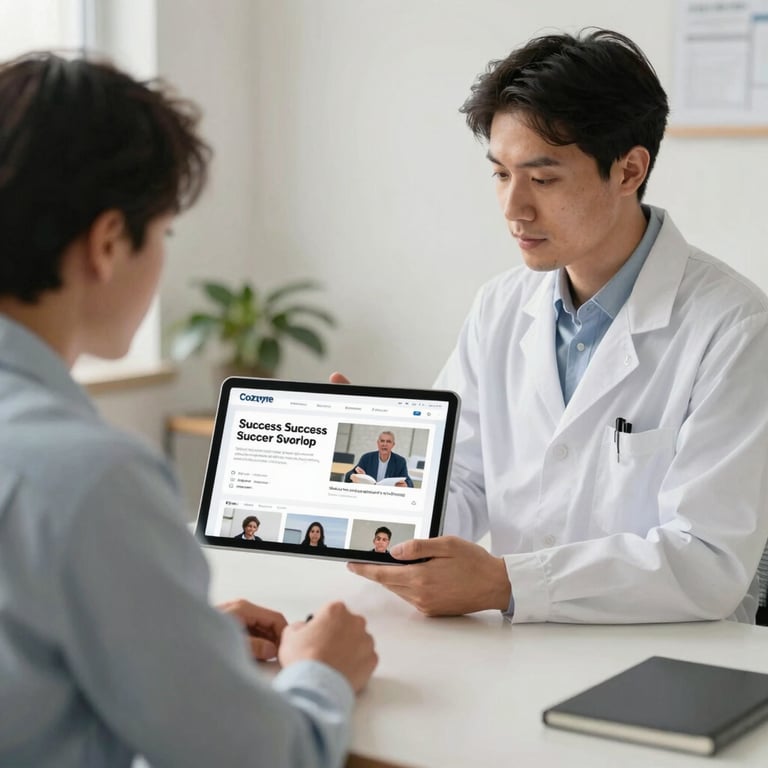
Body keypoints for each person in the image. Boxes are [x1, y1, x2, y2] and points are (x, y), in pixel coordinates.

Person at [0, 53, 376, 768]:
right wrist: (323, 671)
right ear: (109, 242)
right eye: (166, 232)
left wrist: (173, 640)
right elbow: (262, 758)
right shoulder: (93, 478)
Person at [340, 28, 768, 624]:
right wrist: (374, 476)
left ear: (628, 170)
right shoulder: (500, 306)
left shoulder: (736, 328)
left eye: (542, 179)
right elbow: (461, 485)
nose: (514, 207)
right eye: (499, 174)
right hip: (521, 651)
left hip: (675, 657)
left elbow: (707, 561)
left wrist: (504, 582)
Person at [344, 431, 413, 487]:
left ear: (393, 445)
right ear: (378, 443)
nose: (384, 444)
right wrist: (352, 476)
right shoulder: (366, 458)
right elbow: (349, 475)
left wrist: (406, 485)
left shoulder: (400, 461)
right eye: (382, 441)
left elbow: (409, 481)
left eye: (388, 441)